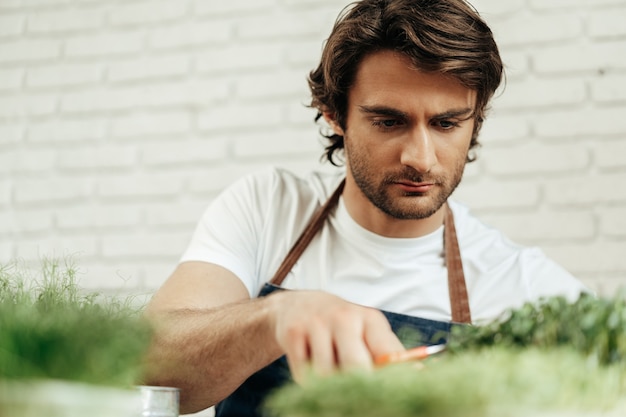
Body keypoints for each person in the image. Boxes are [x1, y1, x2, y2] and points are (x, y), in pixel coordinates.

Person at [143, 0, 587, 415]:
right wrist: (273, 320)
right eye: (389, 121)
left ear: (475, 122)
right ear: (335, 114)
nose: (421, 157)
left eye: (447, 123)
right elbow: (145, 364)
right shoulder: (267, 208)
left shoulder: (527, 286)